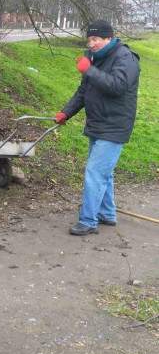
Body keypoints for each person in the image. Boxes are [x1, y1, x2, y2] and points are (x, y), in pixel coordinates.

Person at [54, 19, 140, 235]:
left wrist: (89, 70)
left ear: (108, 38)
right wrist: (66, 112)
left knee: (95, 173)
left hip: (115, 125)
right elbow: (84, 91)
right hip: (98, 123)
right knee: (103, 173)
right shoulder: (94, 57)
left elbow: (117, 86)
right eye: (89, 39)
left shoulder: (125, 58)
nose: (91, 43)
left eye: (96, 39)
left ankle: (88, 221)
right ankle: (107, 213)